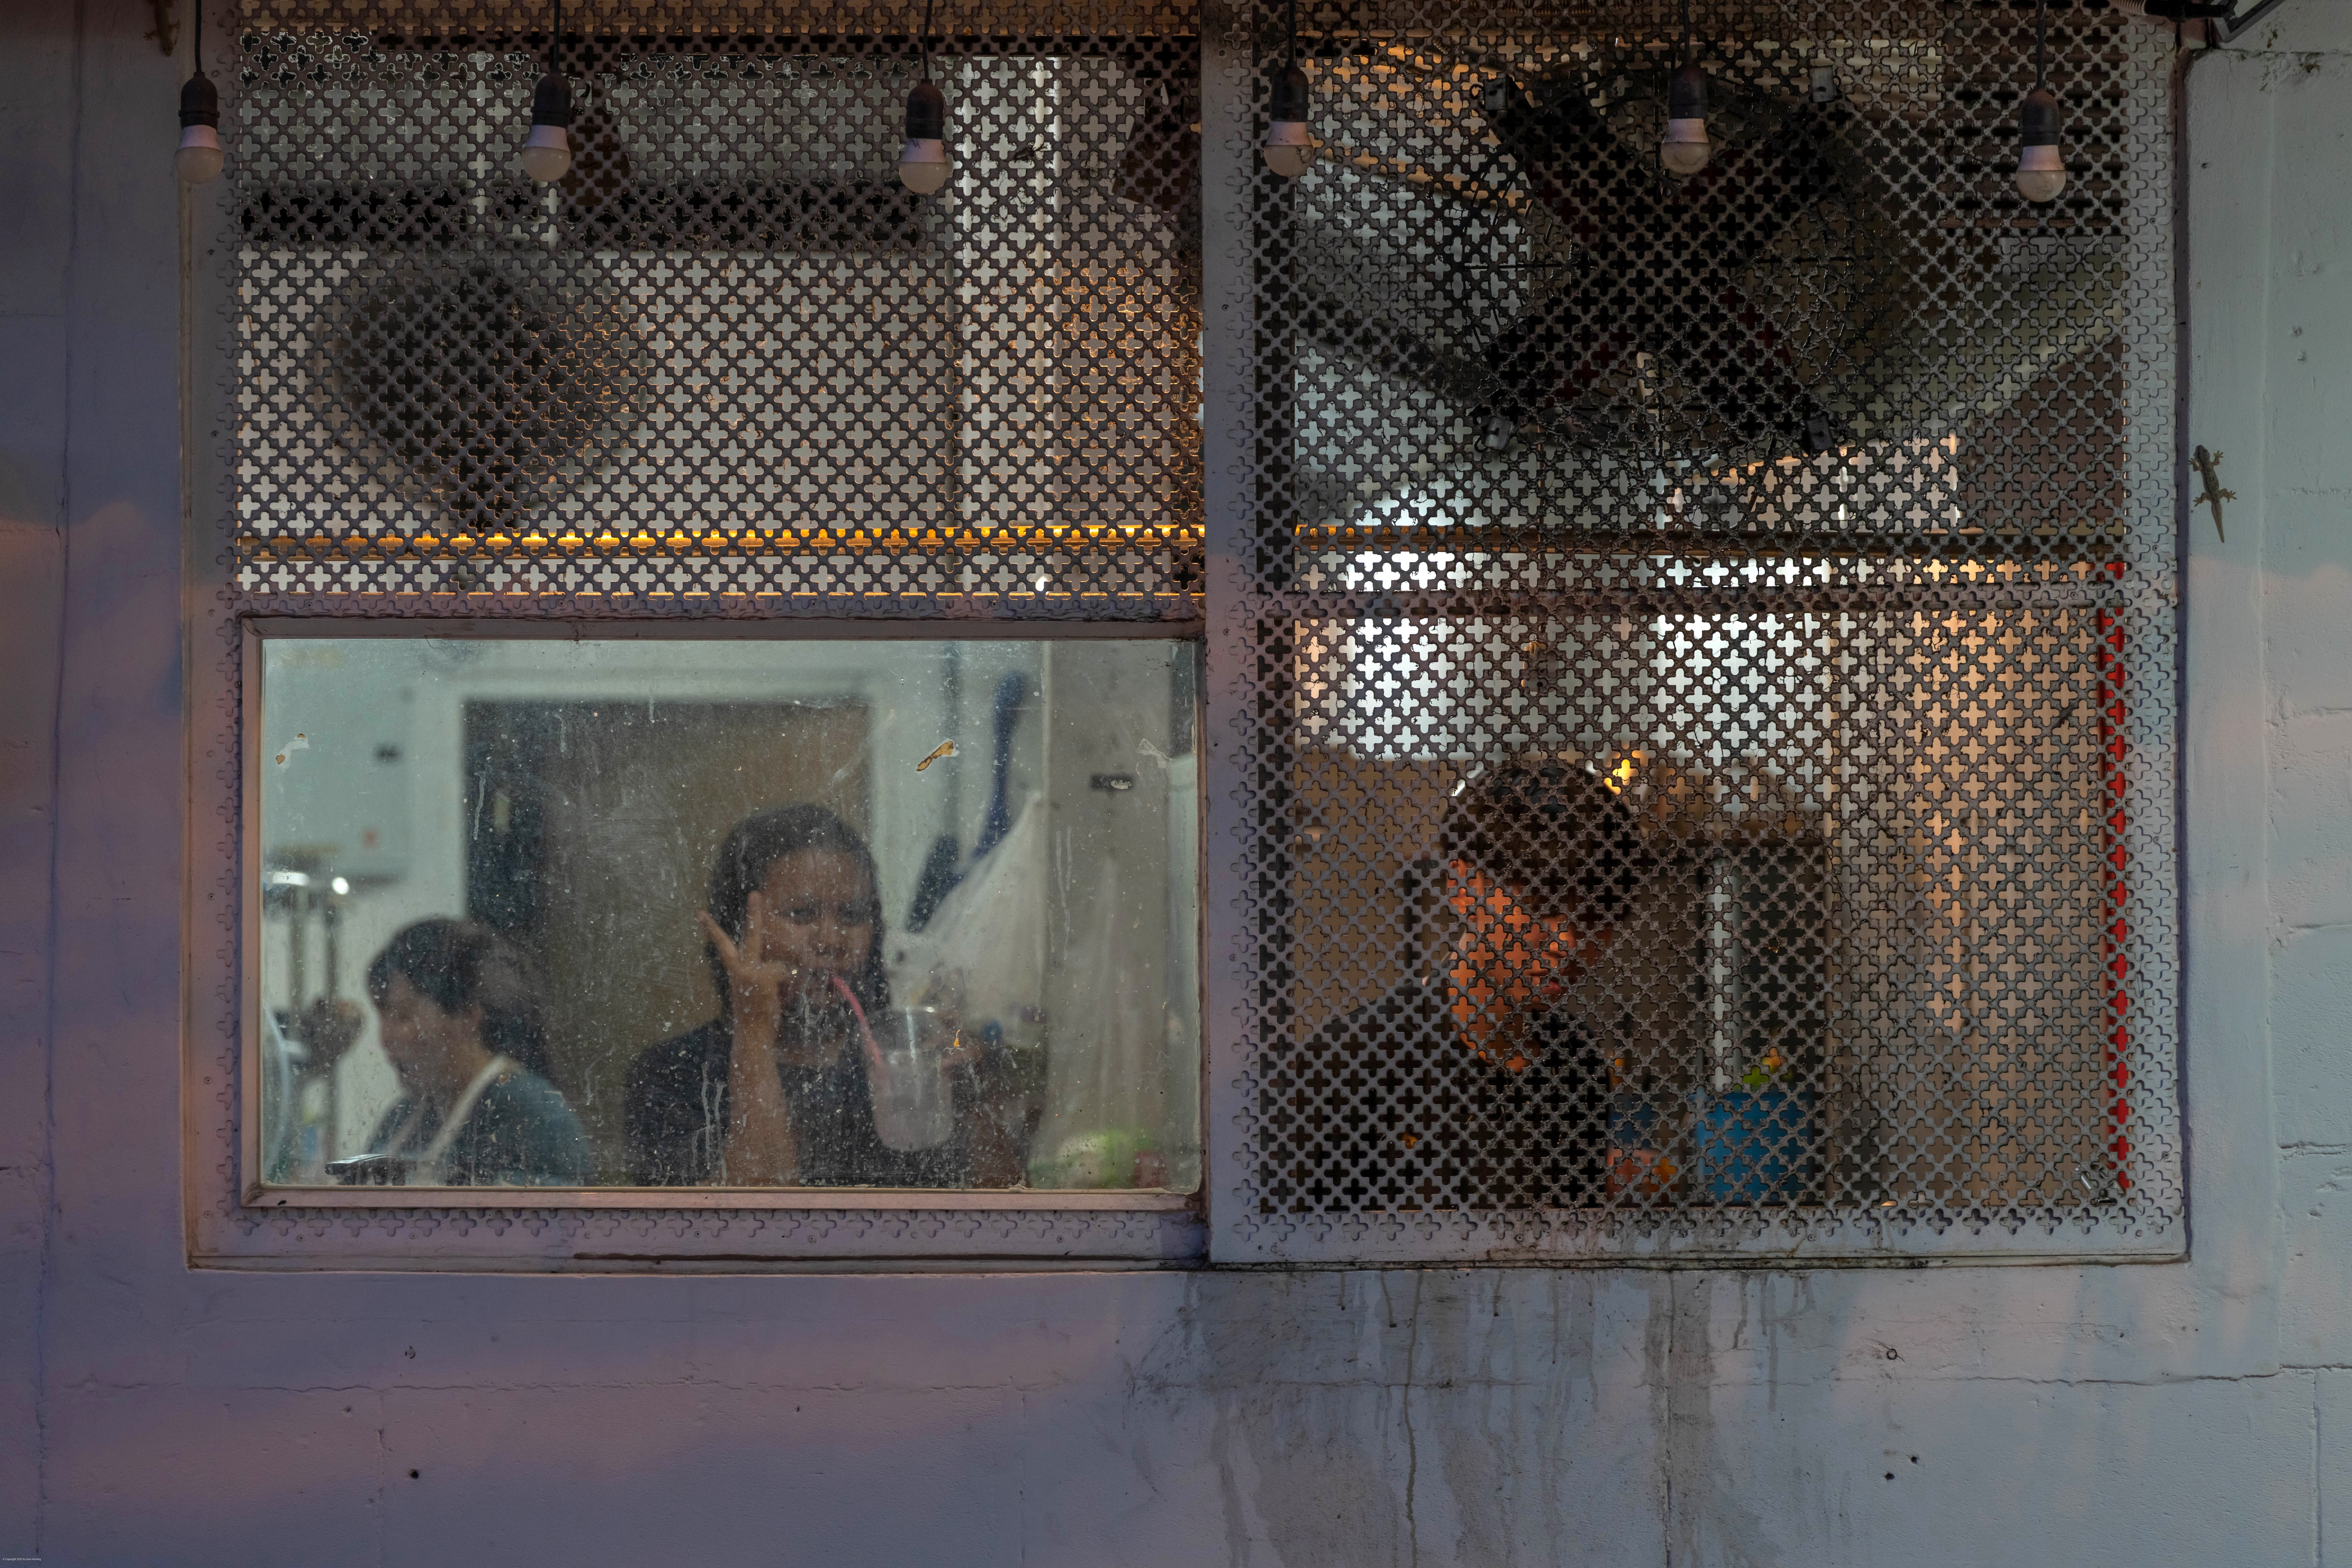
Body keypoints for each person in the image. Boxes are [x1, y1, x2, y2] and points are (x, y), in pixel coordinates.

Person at [1264, 757, 1657, 1212]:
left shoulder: (1575, 1066)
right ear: (1462, 888)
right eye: (1540, 906)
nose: (1566, 941)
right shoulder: (1356, 1060)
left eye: (1595, 916)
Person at [624, 805, 1023, 1188]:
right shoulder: (673, 1073)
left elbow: (1005, 1224)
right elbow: (744, 1227)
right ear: (739, 928)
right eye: (801, 915)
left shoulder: (898, 1067)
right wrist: (753, 1034)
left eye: (851, 917)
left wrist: (973, 1102)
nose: (831, 941)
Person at [354, 918, 590, 1186]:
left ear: (467, 1016)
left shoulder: (532, 1113)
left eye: (404, 1016)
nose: (384, 1039)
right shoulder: (402, 1117)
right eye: (383, 1017)